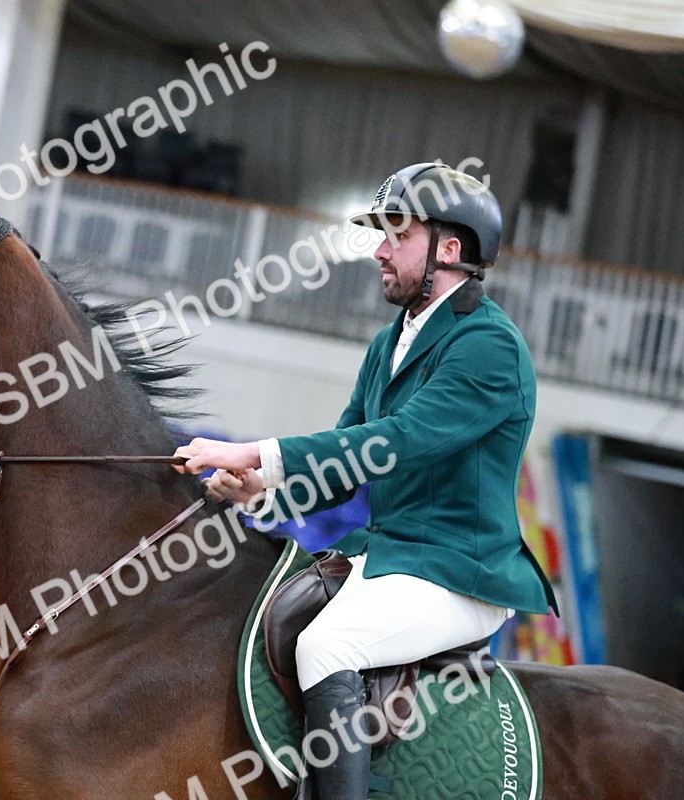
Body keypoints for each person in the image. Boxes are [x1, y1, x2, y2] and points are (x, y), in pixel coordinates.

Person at [173, 163, 558, 800]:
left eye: (396, 236)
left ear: (449, 250)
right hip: (389, 558)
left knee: (329, 646)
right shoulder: (389, 345)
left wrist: (255, 450)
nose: (378, 250)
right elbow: (344, 463)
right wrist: (261, 492)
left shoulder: (490, 348)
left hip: (459, 571)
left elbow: (393, 443)